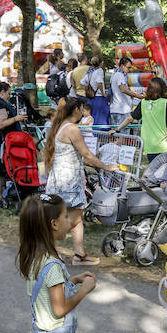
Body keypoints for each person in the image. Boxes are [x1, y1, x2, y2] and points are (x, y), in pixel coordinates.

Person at [43, 97, 110, 265]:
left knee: (77, 217)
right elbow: (86, 153)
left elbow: (74, 155)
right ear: (76, 110)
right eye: (82, 108)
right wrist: (106, 167)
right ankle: (44, 247)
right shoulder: (72, 129)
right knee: (68, 220)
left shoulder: (59, 126)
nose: (83, 111)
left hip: (61, 179)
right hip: (69, 180)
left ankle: (79, 254)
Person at [121, 76, 167, 164]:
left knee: (156, 175)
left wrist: (117, 129)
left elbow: (129, 118)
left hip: (151, 148)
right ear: (163, 89)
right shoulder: (166, 103)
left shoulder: (143, 103)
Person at [108, 55, 143, 131]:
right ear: (122, 66)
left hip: (116, 109)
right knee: (122, 137)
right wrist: (136, 95)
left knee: (115, 136)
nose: (130, 70)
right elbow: (123, 89)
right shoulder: (120, 75)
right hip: (122, 111)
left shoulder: (115, 74)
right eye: (128, 67)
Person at [80, 54, 110, 132]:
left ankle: (93, 136)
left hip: (91, 98)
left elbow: (82, 82)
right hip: (99, 98)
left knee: (93, 118)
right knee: (101, 119)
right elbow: (99, 82)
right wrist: (103, 93)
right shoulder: (99, 71)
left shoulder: (90, 71)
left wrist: (86, 89)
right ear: (101, 63)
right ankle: (101, 136)